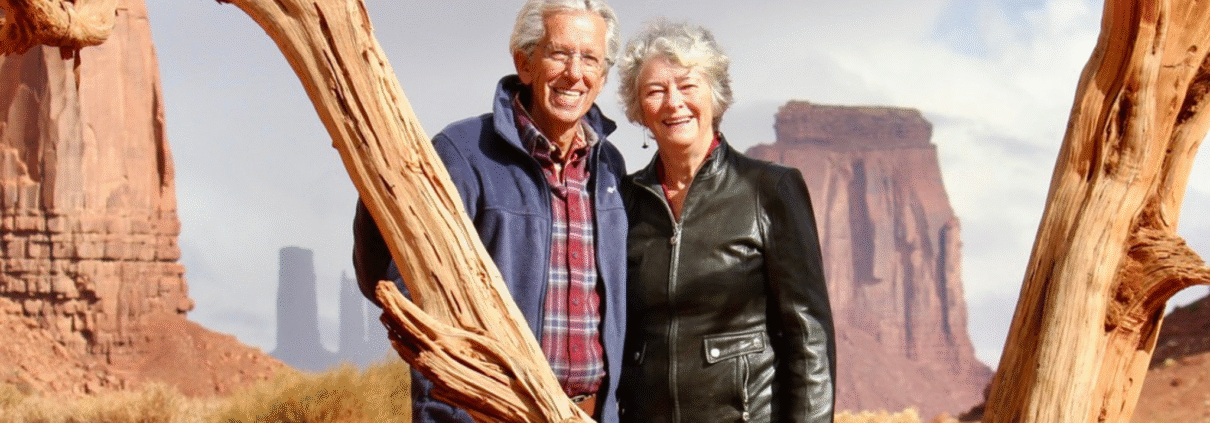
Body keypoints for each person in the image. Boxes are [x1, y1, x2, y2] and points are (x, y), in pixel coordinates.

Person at [351, 1, 627, 422]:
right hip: (486, 415)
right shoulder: (463, 153)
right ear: (525, 63)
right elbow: (399, 280)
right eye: (559, 53)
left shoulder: (610, 168)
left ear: (603, 76)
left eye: (590, 58)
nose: (575, 73)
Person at [615, 20, 836, 423]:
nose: (673, 102)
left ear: (715, 97)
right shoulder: (623, 200)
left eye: (687, 85)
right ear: (639, 111)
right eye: (655, 90)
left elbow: (809, 337)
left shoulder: (769, 189)